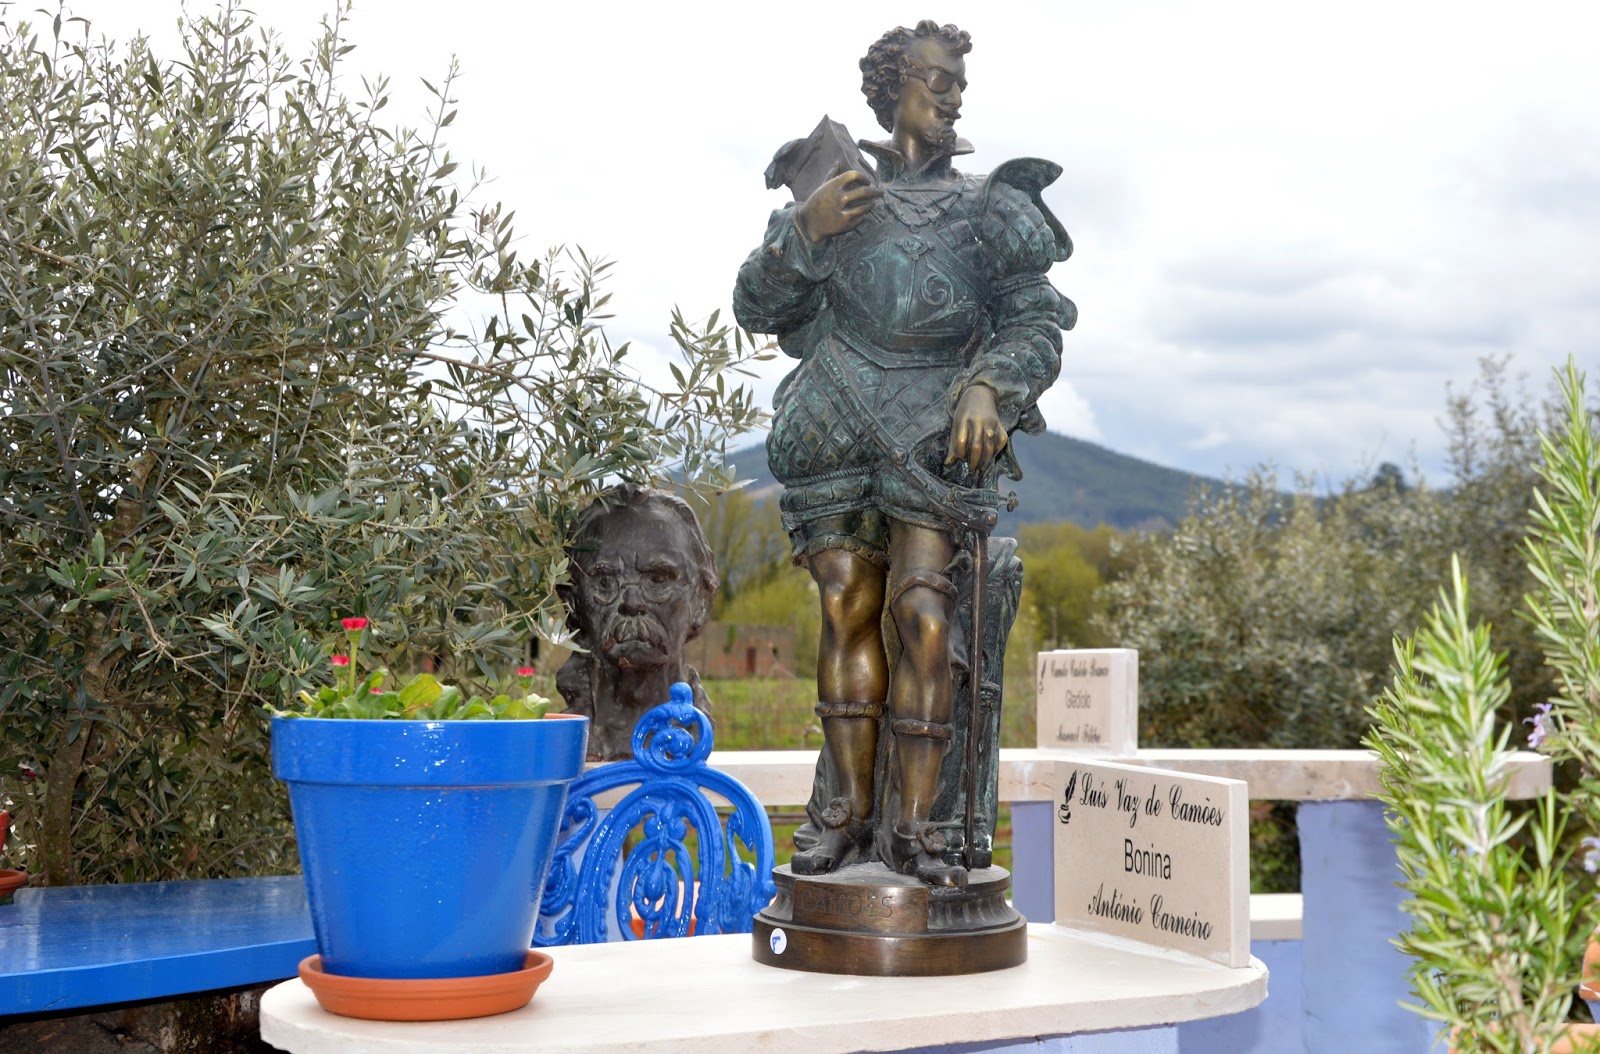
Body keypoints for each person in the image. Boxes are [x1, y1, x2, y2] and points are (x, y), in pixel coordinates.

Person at [733, 20, 1073, 888]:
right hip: (837, 416)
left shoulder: (989, 205)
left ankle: (918, 827)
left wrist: (990, 385)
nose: (952, 95)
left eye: (958, 82)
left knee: (925, 617)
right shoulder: (837, 192)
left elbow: (1037, 320)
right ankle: (845, 815)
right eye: (936, 79)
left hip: (934, 433)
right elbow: (757, 305)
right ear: (894, 89)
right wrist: (804, 230)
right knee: (845, 608)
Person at [555, 484, 719, 760]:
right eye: (605, 582)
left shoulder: (697, 729)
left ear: (702, 600)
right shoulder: (565, 740)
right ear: (572, 604)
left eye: (658, 579)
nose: (632, 602)